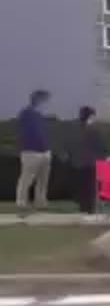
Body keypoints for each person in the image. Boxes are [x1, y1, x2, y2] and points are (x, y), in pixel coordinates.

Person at [15, 89, 52, 217]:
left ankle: (40, 202)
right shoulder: (26, 114)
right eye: (46, 100)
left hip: (44, 152)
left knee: (43, 180)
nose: (48, 103)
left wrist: (47, 149)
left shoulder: (40, 116)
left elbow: (44, 134)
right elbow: (27, 134)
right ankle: (21, 203)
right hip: (31, 152)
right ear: (39, 100)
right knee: (27, 179)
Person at [66, 106, 107, 220]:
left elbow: (70, 145)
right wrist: (104, 157)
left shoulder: (74, 129)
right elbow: (100, 147)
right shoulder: (93, 130)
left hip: (77, 163)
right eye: (93, 116)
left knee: (82, 188)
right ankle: (89, 210)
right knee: (90, 188)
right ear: (90, 117)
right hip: (90, 163)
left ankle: (83, 208)